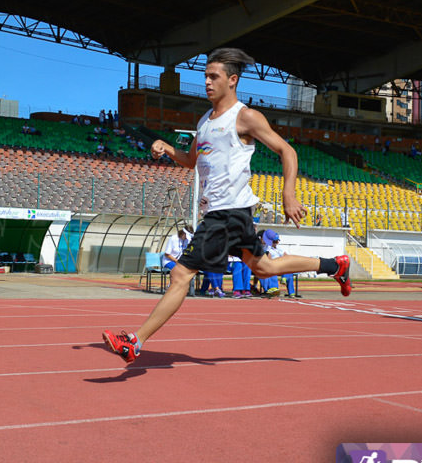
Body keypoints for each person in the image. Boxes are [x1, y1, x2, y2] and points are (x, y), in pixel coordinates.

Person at [101, 47, 351, 362]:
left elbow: (288, 151)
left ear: (232, 80)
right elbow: (192, 161)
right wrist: (166, 149)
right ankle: (335, 265)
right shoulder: (204, 121)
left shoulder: (245, 117)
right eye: (205, 76)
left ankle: (135, 341)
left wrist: (289, 194)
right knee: (265, 268)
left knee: (181, 275)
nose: (206, 82)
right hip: (223, 213)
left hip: (228, 213)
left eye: (213, 76)